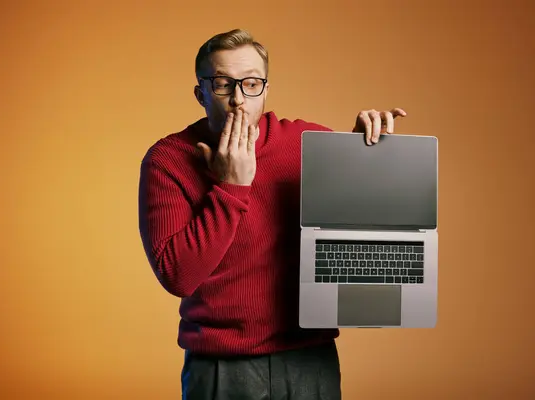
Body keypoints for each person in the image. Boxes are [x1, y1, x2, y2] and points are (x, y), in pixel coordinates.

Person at [138, 28, 407, 400]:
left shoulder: (305, 144)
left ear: (265, 90)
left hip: (309, 358)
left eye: (250, 84)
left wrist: (361, 155)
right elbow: (178, 277)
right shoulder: (168, 160)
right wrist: (232, 186)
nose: (237, 99)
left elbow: (354, 230)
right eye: (222, 84)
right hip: (221, 366)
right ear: (200, 93)